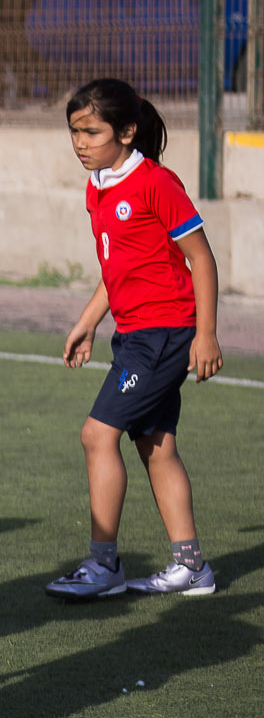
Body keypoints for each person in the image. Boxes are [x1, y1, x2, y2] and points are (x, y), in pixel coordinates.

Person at [45, 78, 221, 601]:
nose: (80, 142)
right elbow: (118, 267)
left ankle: (103, 566)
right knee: (155, 445)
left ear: (126, 131)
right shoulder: (97, 184)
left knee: (97, 435)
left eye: (91, 131)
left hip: (164, 332)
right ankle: (191, 567)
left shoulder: (156, 183)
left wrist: (206, 334)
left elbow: (202, 258)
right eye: (73, 131)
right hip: (135, 333)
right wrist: (88, 320)